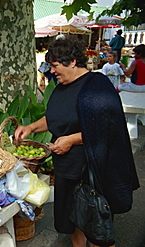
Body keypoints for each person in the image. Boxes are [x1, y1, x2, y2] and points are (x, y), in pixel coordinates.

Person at [14, 39, 139, 247]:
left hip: (91, 169)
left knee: (95, 223)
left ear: (72, 62)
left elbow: (108, 127)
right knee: (72, 220)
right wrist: (32, 128)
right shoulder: (62, 86)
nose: (52, 71)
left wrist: (71, 140)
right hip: (66, 169)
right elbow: (56, 117)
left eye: (55, 66)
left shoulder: (97, 85)